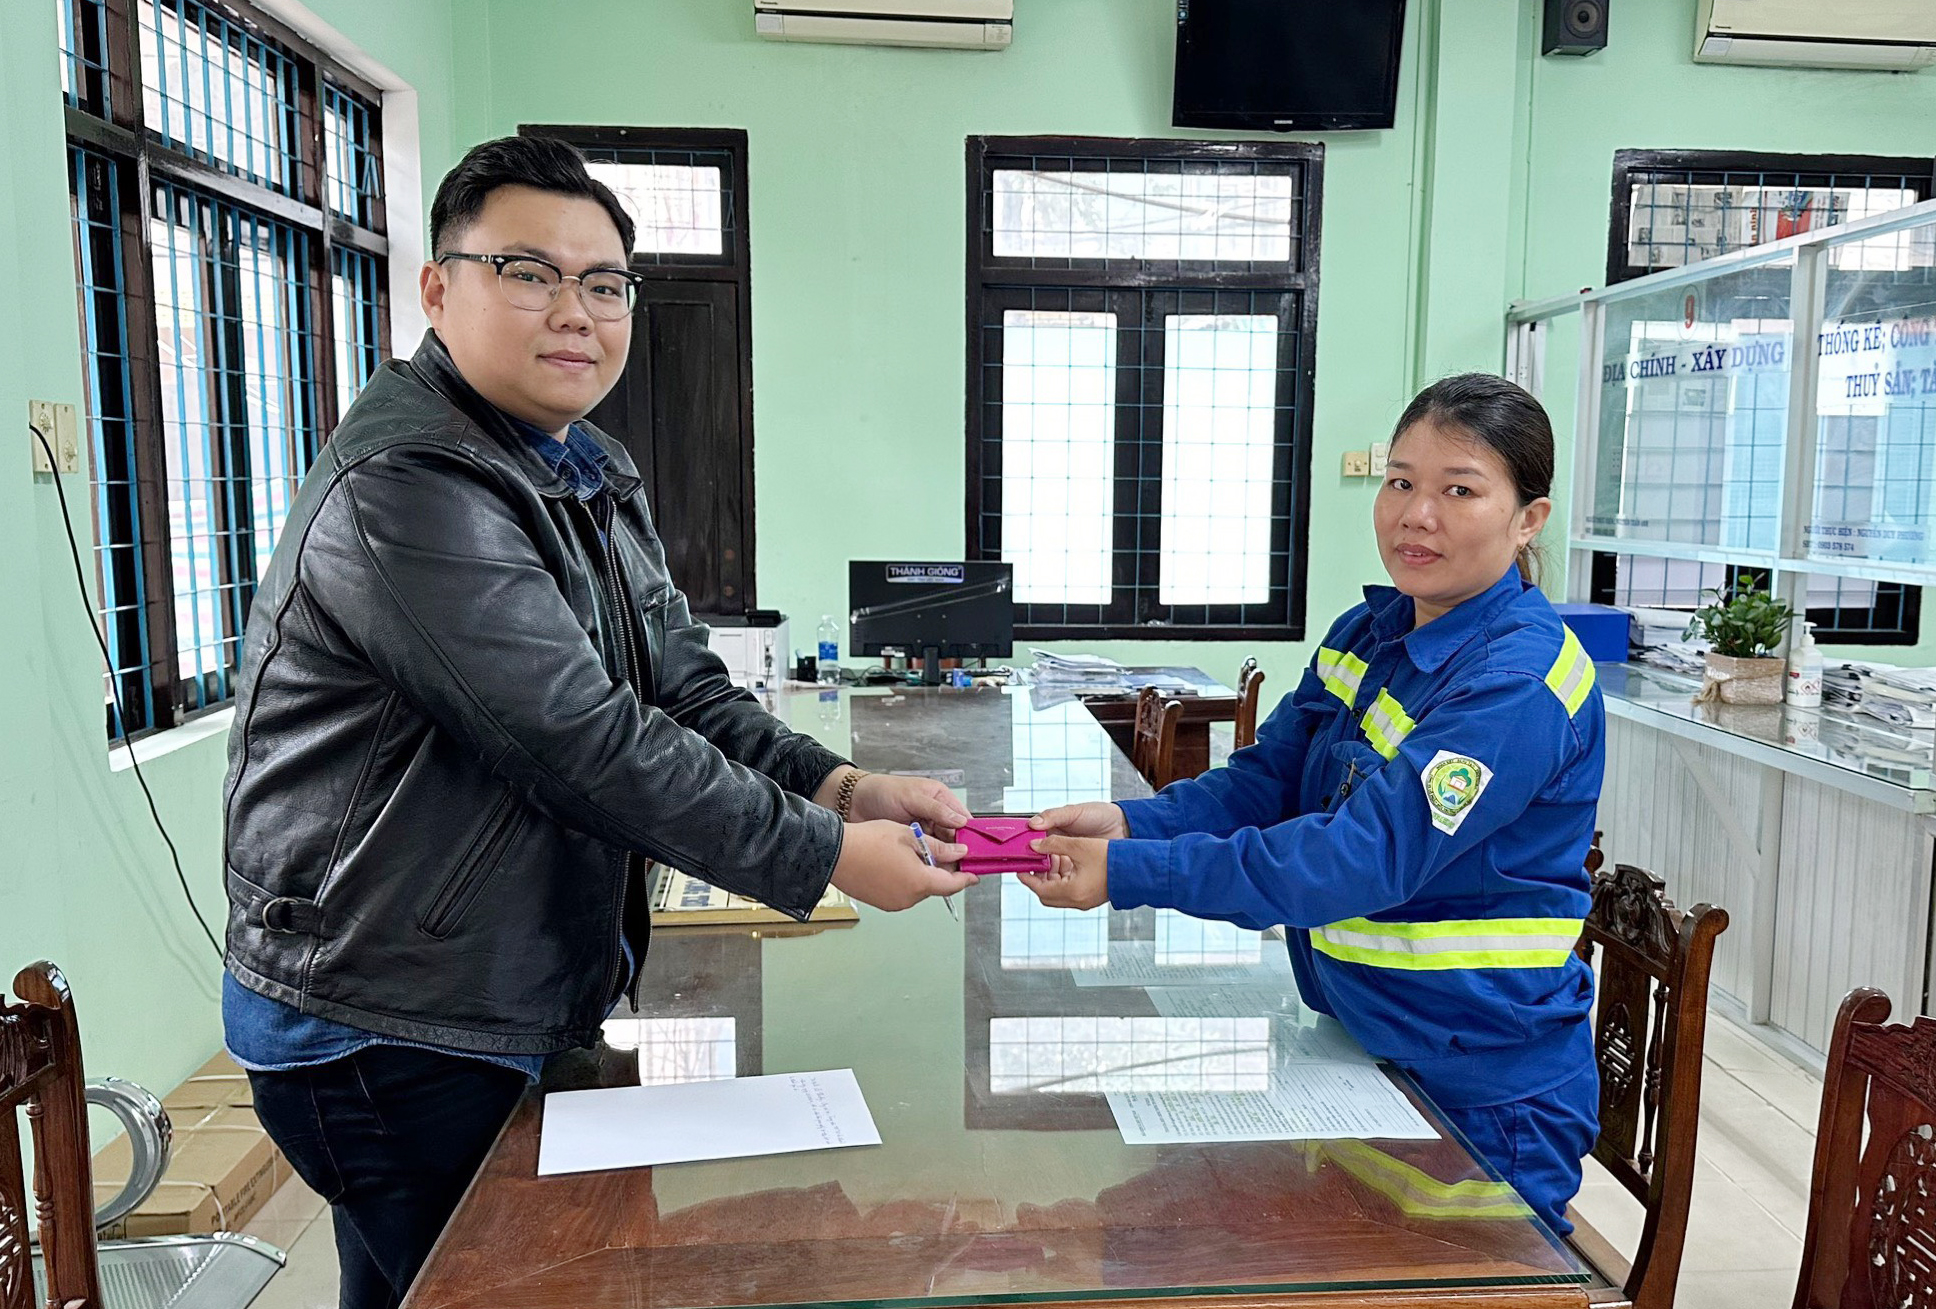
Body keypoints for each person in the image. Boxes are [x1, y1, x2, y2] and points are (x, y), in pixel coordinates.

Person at [220, 135, 974, 1309]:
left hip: (490, 987)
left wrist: (841, 789)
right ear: (437, 287)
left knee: (419, 1286)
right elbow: (578, 738)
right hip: (391, 1017)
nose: (575, 312)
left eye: (605, 283)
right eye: (529, 272)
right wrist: (823, 855)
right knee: (493, 1282)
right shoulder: (410, 485)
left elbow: (684, 689)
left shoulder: (582, 469)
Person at [1021, 372, 1603, 1234]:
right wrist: (1134, 820)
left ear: (1529, 519)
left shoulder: (1518, 683)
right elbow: (1268, 778)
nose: (1417, 513)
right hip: (1365, 1049)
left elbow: (1361, 856)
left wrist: (1131, 870)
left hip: (1479, 1095)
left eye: (1460, 490)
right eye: (1401, 481)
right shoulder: (1370, 634)